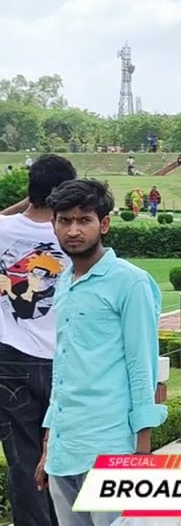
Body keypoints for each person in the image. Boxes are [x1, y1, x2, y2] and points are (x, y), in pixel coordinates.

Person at [35, 179, 169, 525]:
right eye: (65, 220)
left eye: (84, 220)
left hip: (110, 445)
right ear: (54, 224)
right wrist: (50, 443)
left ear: (104, 224)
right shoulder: (65, 280)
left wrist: (142, 453)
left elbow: (143, 366)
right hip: (66, 449)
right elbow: (63, 366)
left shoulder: (130, 282)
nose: (74, 230)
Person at [0, 155, 77, 526]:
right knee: (73, 457)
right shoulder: (74, 233)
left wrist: (30, 201)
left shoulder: (3, 229)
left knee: (23, 462)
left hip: (10, 359)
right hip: (67, 359)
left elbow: (10, 213)